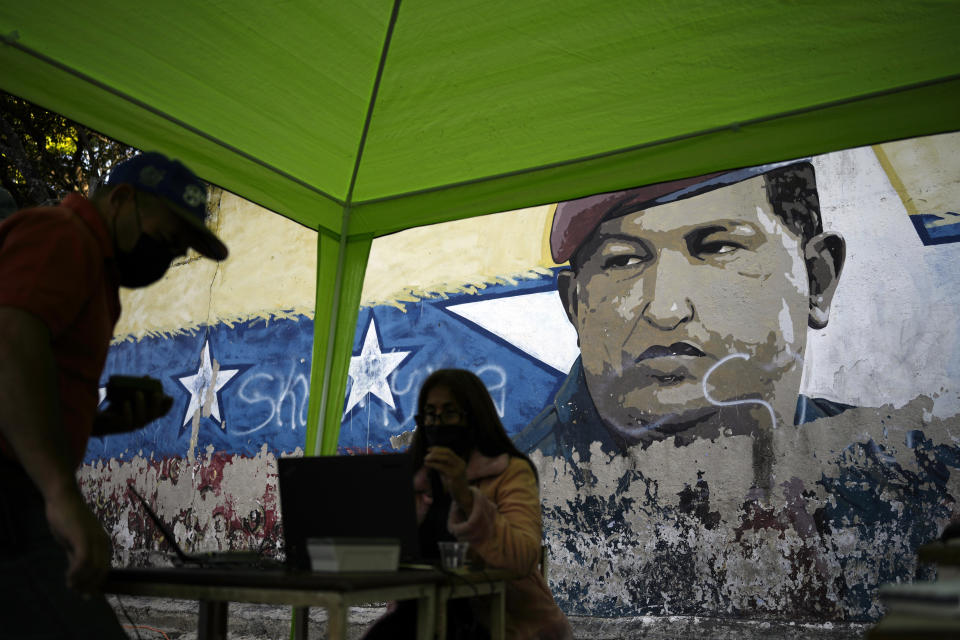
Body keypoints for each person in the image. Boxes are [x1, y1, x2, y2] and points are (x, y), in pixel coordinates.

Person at [0, 151, 228, 637]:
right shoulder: (65, 237)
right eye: (168, 238)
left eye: (179, 251)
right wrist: (61, 493)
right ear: (122, 200)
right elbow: (10, 343)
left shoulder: (93, 271)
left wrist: (100, 422)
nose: (169, 258)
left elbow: (27, 394)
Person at [515, 161, 849, 460]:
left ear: (817, 281)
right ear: (575, 307)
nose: (665, 311)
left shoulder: (893, 469)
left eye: (719, 247)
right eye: (623, 261)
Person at [363, 369, 572, 640]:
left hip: (504, 620)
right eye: (430, 414)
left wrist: (466, 496)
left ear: (474, 418)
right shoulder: (414, 477)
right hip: (420, 616)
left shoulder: (510, 472)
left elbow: (523, 558)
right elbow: (383, 556)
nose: (438, 423)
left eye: (449, 413)